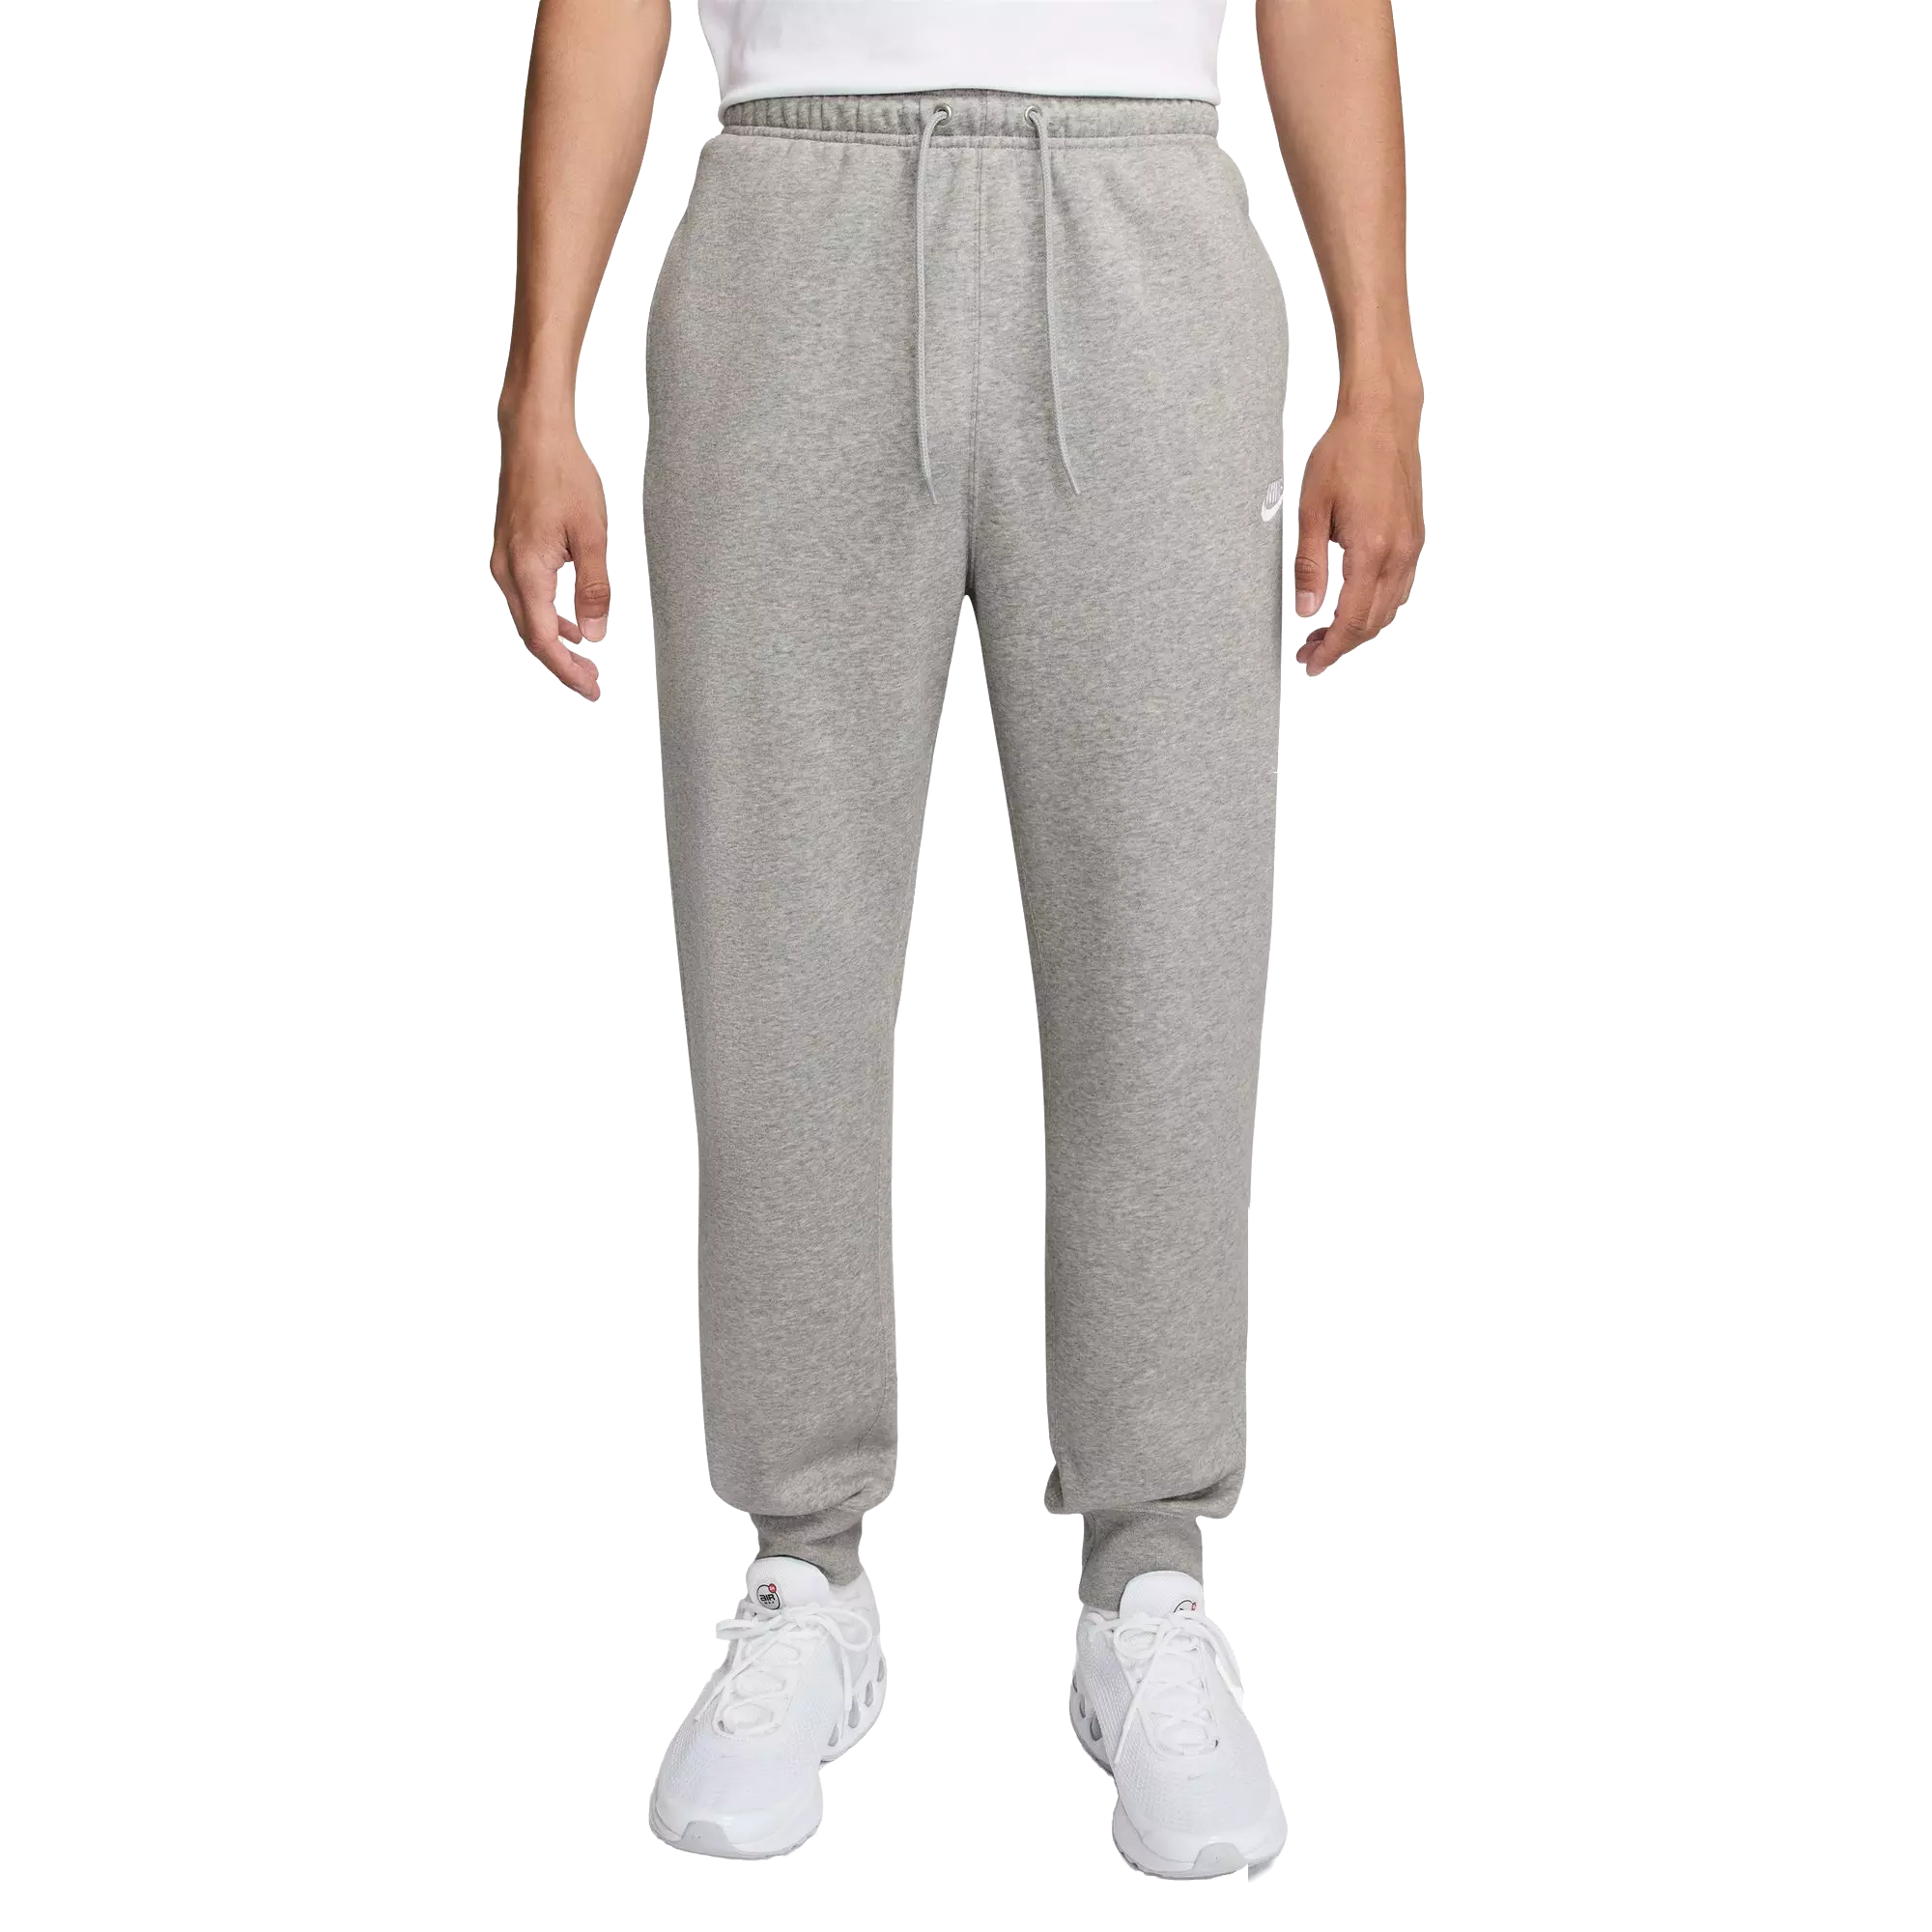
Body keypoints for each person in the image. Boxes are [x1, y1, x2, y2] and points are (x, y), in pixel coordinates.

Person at [496, 0, 1424, 1883]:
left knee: (1166, 942)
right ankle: (803, 1575)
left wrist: (1383, 371)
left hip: (1146, 220)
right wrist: (538, 388)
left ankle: (1147, 1585)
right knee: (773, 953)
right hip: (785, 228)